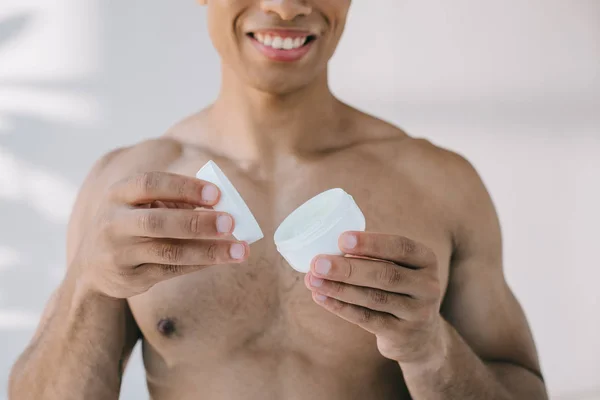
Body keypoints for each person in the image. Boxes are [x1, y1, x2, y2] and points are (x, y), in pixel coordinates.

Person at [9, 1, 549, 399]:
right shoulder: (126, 186)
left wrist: (430, 348)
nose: (285, 7)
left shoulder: (441, 183)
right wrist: (88, 282)